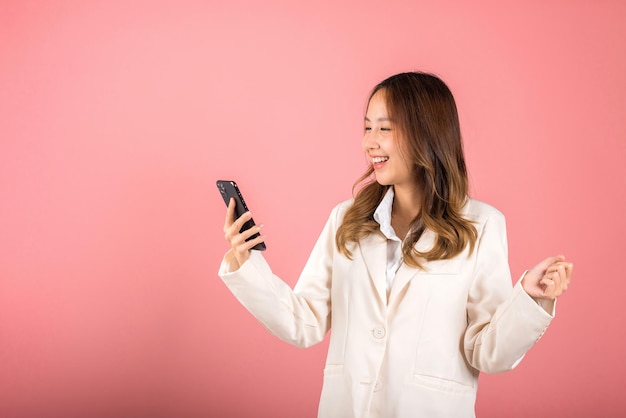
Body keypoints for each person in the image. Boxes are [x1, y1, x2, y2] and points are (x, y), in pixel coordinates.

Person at [218, 71, 573, 418]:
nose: (369, 142)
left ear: (426, 134)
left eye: (384, 128)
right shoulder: (346, 219)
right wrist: (245, 262)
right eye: (367, 127)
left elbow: (488, 352)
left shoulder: (481, 226)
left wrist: (530, 298)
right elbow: (304, 322)